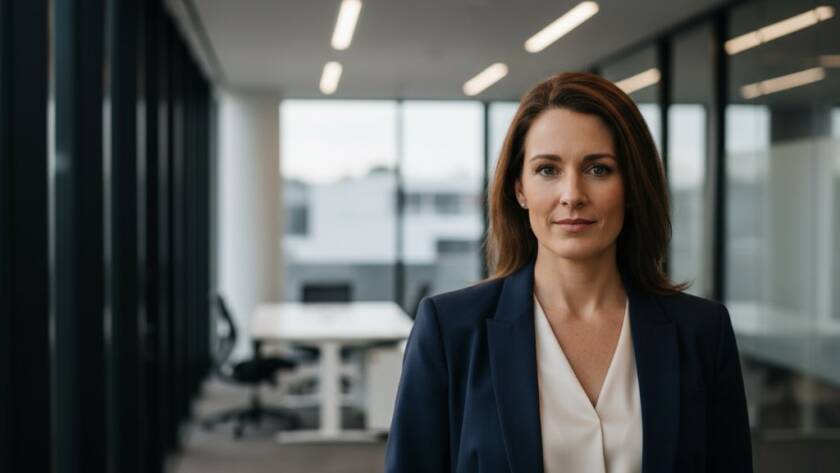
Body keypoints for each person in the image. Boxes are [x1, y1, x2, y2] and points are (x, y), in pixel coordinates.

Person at [384, 72, 753, 473]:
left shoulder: (703, 332)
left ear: (632, 186)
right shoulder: (450, 330)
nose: (573, 195)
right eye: (548, 170)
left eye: (598, 169)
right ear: (520, 189)